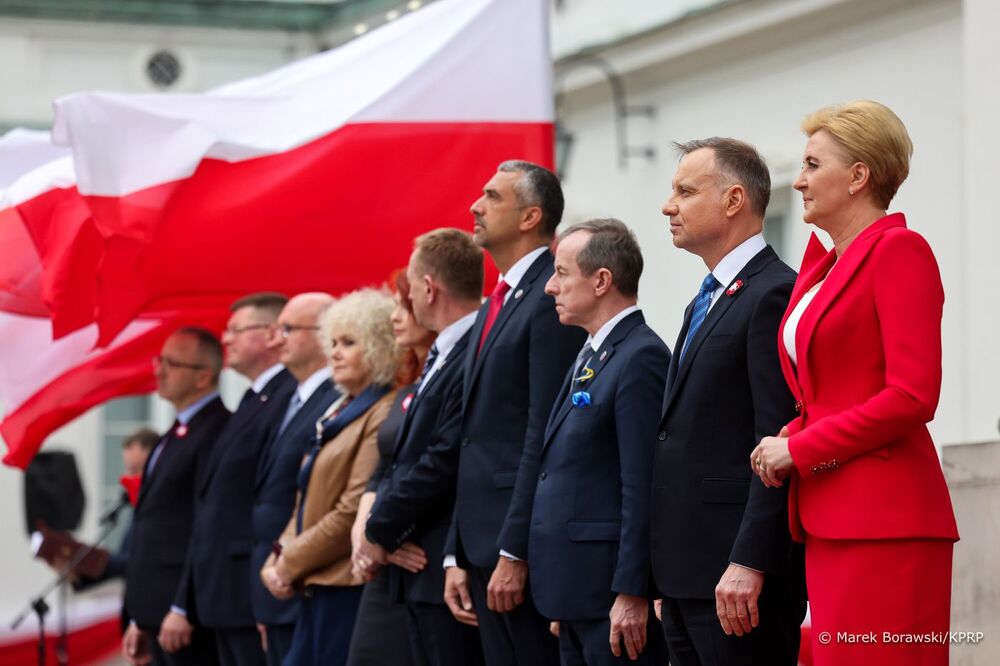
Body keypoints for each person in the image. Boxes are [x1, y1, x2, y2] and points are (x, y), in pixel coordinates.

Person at [750, 100, 959, 666]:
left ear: (859, 175)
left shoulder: (899, 251)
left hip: (885, 523)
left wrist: (800, 447)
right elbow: (829, 388)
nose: (798, 181)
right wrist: (791, 432)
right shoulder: (826, 267)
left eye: (814, 165)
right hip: (831, 517)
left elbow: (913, 394)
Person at [651, 138, 806, 666]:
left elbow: (777, 438)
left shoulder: (771, 293)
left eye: (685, 191)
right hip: (687, 575)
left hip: (736, 579)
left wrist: (751, 560)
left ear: (734, 200)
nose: (668, 206)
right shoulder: (709, 295)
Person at [446, 160, 586, 666]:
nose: (475, 207)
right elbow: (472, 435)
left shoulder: (552, 295)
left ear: (530, 217)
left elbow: (541, 431)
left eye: (491, 197)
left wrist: (514, 550)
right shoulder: (497, 300)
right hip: (481, 541)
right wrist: (455, 550)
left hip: (517, 544)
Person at [529, 219, 669, 666]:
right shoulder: (592, 351)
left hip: (610, 597)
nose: (551, 287)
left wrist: (632, 590)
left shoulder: (640, 355)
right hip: (577, 596)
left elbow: (642, 482)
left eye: (562, 273)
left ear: (602, 280)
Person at [356, 228, 486, 666]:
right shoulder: (445, 353)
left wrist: (379, 530)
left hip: (436, 564)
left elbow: (443, 457)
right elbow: (400, 461)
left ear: (428, 288)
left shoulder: (474, 351)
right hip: (413, 566)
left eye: (408, 288)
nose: (407, 298)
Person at [261, 289, 398, 666]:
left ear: (380, 347)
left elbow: (351, 509)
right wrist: (278, 557)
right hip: (316, 582)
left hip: (344, 584)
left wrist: (289, 563)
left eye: (349, 343)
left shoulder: (383, 411)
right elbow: (304, 497)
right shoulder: (340, 408)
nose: (334, 352)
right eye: (332, 342)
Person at [178, 293, 295, 666]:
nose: (225, 339)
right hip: (223, 588)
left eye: (235, 330)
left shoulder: (287, 396)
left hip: (250, 584)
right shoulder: (254, 398)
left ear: (272, 333)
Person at [122, 327, 231, 666]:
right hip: (157, 610)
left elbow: (206, 525)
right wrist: (140, 615)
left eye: (171, 362)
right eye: (159, 360)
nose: (158, 370)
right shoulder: (175, 432)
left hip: (184, 616)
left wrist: (182, 605)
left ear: (203, 377)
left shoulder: (216, 431)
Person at [346, 270, 435, 666]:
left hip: (417, 553)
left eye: (404, 305)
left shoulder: (453, 374)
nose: (395, 317)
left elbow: (441, 465)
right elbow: (383, 467)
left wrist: (381, 534)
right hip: (382, 555)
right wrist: (364, 533)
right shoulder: (407, 386)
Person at [250, 292, 339, 666]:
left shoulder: (335, 397)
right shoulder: (292, 398)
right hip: (274, 582)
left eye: (287, 329)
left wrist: (288, 567)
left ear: (322, 335)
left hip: (303, 580)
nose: (276, 339)